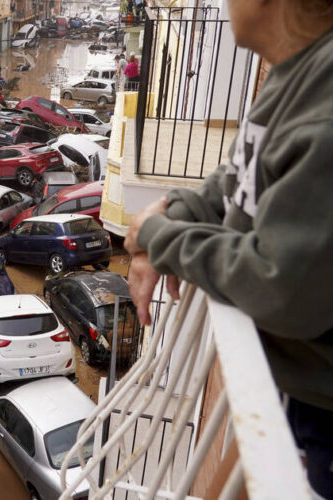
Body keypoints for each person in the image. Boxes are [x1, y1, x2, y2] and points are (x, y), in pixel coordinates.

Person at [123, 0, 333, 496]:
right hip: (299, 392)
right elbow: (236, 180)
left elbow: (281, 287)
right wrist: (174, 212)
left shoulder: (324, 108)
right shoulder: (294, 70)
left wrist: (156, 237)